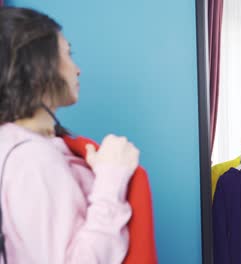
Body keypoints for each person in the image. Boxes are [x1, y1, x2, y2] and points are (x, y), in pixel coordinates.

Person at [0, 7, 139, 263]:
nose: (77, 70)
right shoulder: (32, 159)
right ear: (38, 65)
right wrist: (112, 178)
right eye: (68, 54)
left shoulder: (19, 146)